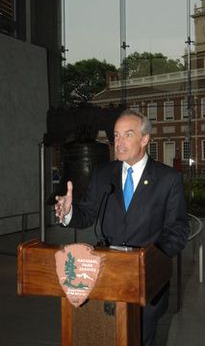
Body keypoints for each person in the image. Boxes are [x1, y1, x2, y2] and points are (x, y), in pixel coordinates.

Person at [55, 109, 189, 346]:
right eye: (116, 136)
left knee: (141, 339)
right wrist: (69, 212)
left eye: (128, 135)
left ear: (145, 139)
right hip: (106, 277)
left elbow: (178, 230)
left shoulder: (168, 179)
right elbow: (86, 214)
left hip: (146, 281)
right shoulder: (103, 173)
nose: (119, 142)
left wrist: (149, 259)